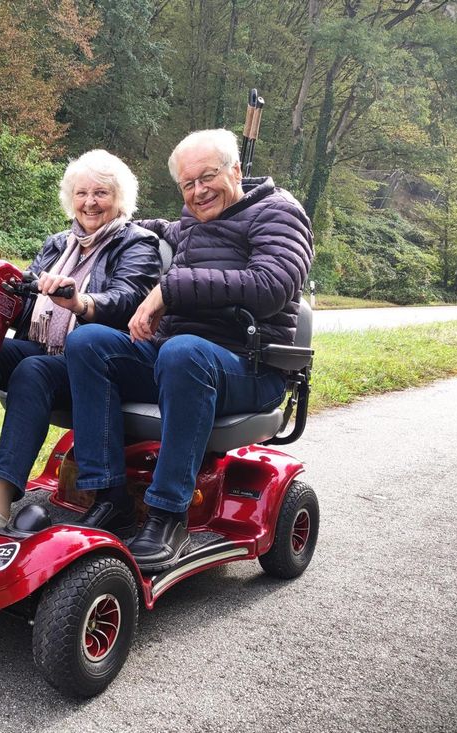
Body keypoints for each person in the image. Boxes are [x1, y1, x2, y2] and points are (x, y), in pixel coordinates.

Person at [63, 128, 314, 571]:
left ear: (235, 170)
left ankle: (167, 514)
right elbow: (163, 229)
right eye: (188, 184)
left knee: (183, 352)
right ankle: (109, 495)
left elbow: (271, 286)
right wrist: (106, 222)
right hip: (182, 358)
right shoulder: (196, 221)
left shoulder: (279, 213)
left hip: (250, 365)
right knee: (89, 341)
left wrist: (169, 289)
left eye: (207, 177)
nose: (198, 191)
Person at [0, 149, 162, 528]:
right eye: (81, 193)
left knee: (33, 370)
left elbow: (128, 299)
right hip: (49, 348)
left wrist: (80, 301)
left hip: (98, 361)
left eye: (101, 193)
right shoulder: (58, 244)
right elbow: (23, 300)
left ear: (119, 200)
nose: (89, 202)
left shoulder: (137, 243)